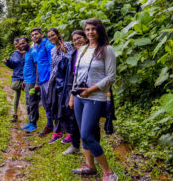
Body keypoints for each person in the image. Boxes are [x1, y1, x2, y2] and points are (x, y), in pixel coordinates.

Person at [71, 18, 118, 181]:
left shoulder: (107, 50)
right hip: (79, 97)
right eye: (87, 29)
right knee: (86, 134)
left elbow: (111, 77)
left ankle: (109, 173)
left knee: (86, 134)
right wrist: (73, 94)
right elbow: (77, 73)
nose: (90, 32)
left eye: (93, 29)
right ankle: (90, 166)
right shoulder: (82, 49)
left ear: (99, 30)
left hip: (95, 97)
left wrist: (91, 89)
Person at [45, 28, 73, 144]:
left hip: (65, 81)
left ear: (58, 35)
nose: (52, 38)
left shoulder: (66, 45)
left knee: (65, 107)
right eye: (49, 37)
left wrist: (65, 51)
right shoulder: (52, 50)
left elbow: (71, 61)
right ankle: (58, 131)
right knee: (55, 106)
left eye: (53, 35)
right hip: (54, 81)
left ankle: (71, 132)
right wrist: (50, 80)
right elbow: (52, 67)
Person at [62, 30, 87, 155]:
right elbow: (71, 74)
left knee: (88, 120)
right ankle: (75, 145)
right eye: (75, 40)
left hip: (88, 89)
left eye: (79, 38)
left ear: (85, 38)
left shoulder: (91, 51)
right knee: (72, 117)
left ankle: (90, 147)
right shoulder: (73, 54)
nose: (77, 41)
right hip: (73, 87)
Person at [31, 27, 55, 137]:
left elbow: (53, 62)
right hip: (41, 80)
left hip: (49, 80)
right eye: (32, 35)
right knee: (45, 104)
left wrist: (51, 78)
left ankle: (61, 127)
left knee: (53, 103)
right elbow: (37, 65)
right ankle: (49, 125)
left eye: (36, 34)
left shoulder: (48, 45)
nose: (34, 36)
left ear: (41, 34)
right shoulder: (36, 48)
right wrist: (37, 82)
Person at [20, 37, 40, 132]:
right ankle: (30, 121)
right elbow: (27, 67)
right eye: (20, 44)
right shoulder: (27, 53)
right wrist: (24, 80)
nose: (22, 45)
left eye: (23, 43)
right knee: (28, 102)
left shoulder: (33, 52)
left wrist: (37, 82)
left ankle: (34, 123)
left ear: (28, 42)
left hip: (32, 82)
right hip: (27, 81)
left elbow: (37, 68)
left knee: (33, 103)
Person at [4, 38, 25, 122]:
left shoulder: (28, 52)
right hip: (16, 76)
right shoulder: (14, 54)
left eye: (17, 43)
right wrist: (7, 62)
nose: (16, 45)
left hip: (26, 78)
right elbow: (12, 65)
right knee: (16, 95)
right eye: (15, 44)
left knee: (29, 97)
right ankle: (15, 114)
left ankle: (32, 117)